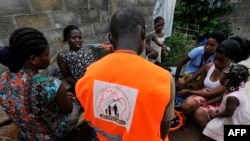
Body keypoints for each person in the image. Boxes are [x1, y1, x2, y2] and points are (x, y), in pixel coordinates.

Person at [75, 7, 174, 141]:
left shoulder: (90, 73)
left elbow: (90, 118)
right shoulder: (163, 79)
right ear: (143, 36)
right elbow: (163, 130)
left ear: (110, 38)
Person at [0, 27, 81, 140]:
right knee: (76, 102)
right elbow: (68, 110)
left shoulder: (3, 78)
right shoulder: (51, 84)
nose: (49, 59)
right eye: (47, 55)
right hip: (50, 135)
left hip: (27, 133)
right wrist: (67, 99)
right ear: (33, 59)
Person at [177, 37, 250, 128]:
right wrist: (190, 86)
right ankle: (191, 120)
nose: (216, 62)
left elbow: (213, 94)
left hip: (219, 101)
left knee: (199, 114)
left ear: (232, 59)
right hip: (204, 94)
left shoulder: (231, 75)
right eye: (215, 58)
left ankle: (209, 131)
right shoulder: (209, 66)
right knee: (187, 105)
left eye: (221, 60)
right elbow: (199, 85)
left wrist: (189, 91)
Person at [202, 63, 250, 141]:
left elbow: (228, 113)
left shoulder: (232, 97)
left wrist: (214, 114)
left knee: (213, 128)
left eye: (222, 75)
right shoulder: (231, 89)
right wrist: (207, 103)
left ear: (227, 80)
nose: (220, 76)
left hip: (236, 120)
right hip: (230, 116)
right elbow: (220, 98)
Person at [57, 25, 95, 92]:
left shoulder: (87, 50)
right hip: (81, 85)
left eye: (80, 38)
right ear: (67, 39)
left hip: (94, 81)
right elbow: (67, 76)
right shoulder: (62, 55)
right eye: (74, 38)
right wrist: (79, 86)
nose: (77, 40)